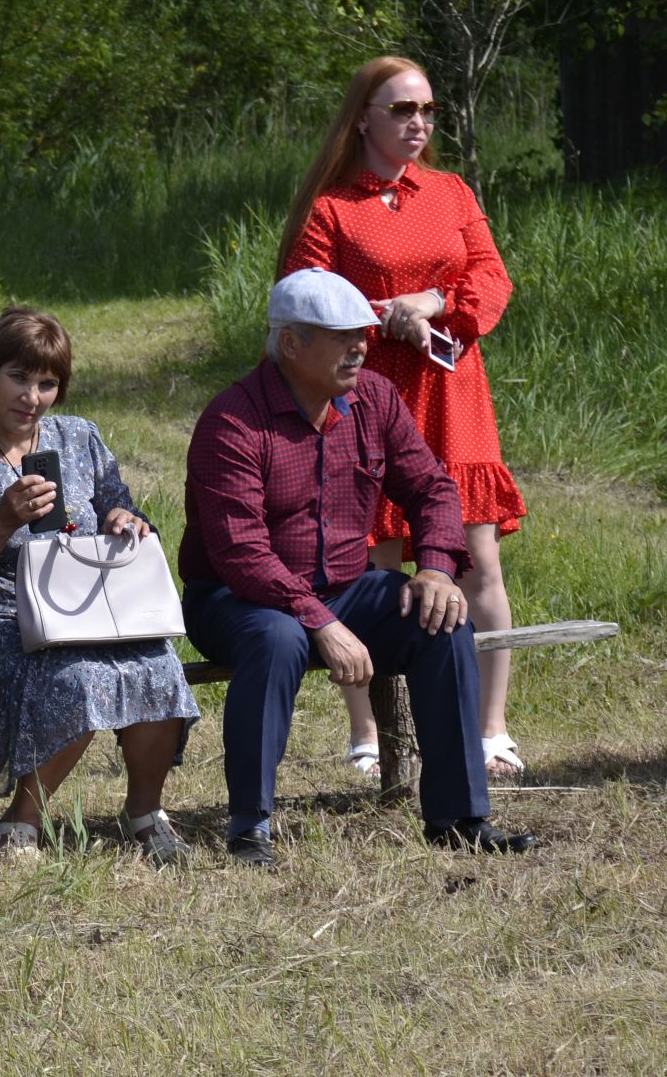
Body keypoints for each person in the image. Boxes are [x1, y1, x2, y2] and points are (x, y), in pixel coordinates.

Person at [178, 269, 537, 868]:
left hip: (346, 585)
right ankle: (250, 827)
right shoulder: (233, 421)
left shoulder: (373, 397)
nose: (361, 346)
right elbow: (242, 552)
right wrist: (319, 620)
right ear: (290, 344)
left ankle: (460, 817)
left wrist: (438, 570)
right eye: (342, 336)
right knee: (276, 637)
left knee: (442, 622)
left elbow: (433, 488)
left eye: (363, 333)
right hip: (237, 598)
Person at [281, 56, 528, 779]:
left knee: (475, 561)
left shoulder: (450, 192)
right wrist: (375, 317)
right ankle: (371, 735)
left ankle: (491, 729)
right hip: (362, 397)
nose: (418, 123)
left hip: (453, 397)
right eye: (401, 110)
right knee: (371, 561)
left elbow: (490, 278)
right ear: (362, 117)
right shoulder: (332, 208)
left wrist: (432, 302)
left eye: (427, 111)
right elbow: (300, 295)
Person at [0, 308, 199, 865]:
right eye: (18, 378)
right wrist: (3, 520)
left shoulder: (81, 438)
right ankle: (19, 824)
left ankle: (144, 811)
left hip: (93, 608)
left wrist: (125, 519)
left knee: (159, 664)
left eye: (47, 383)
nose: (32, 397)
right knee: (78, 679)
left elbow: (118, 499)